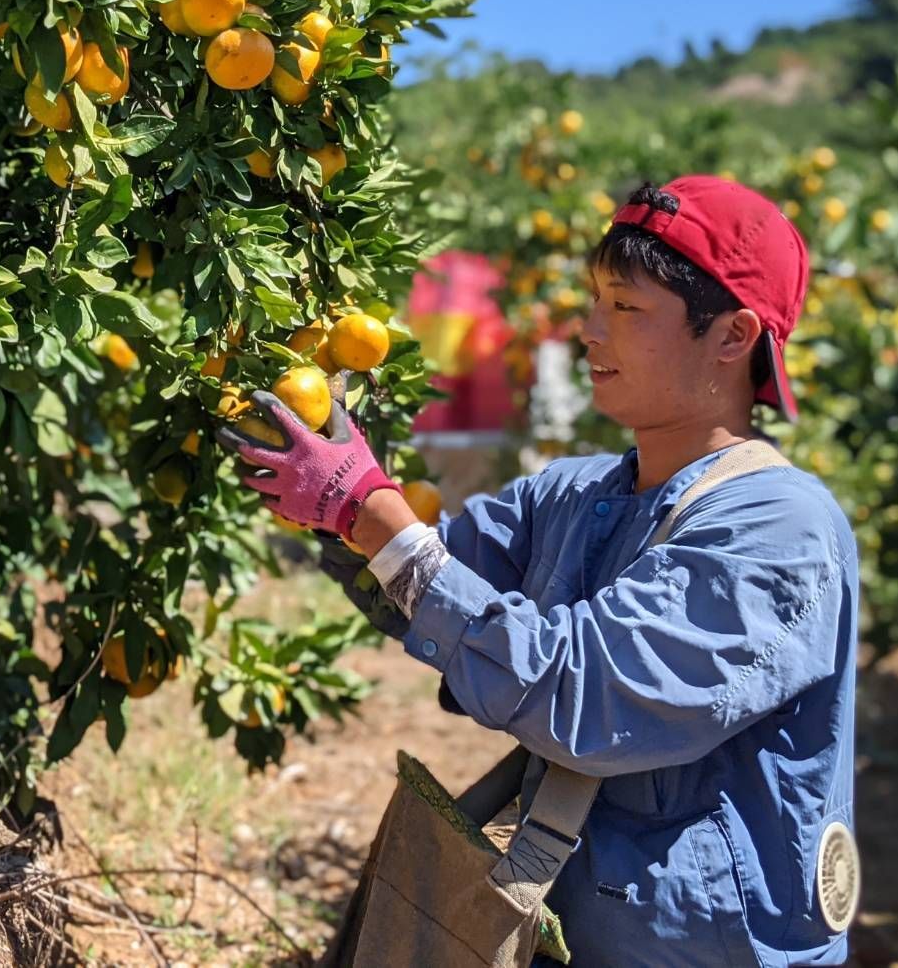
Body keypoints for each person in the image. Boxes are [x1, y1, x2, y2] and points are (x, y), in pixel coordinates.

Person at [219, 177, 860, 967]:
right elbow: (419, 585)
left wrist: (370, 516)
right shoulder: (577, 492)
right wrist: (320, 479)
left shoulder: (778, 530)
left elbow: (585, 698)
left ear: (731, 336)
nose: (589, 331)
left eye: (625, 309)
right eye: (594, 300)